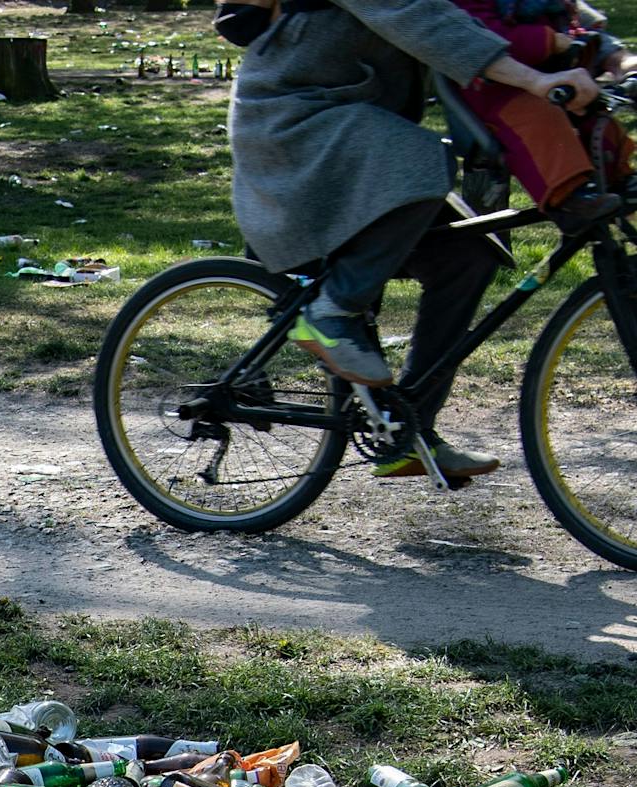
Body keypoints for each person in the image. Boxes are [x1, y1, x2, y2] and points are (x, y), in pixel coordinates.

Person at [226, 0, 606, 484]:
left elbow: (497, 15)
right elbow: (425, 22)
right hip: (294, 128)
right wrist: (534, 80)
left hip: (352, 139)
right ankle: (332, 311)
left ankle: (407, 430)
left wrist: (598, 44)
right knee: (423, 158)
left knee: (468, 256)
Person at [453, 0, 630, 219]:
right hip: (499, 89)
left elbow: (570, 23)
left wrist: (578, 41)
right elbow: (477, 39)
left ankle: (620, 177)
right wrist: (548, 40)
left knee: (596, 112)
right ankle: (569, 194)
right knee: (539, 119)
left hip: (551, 76)